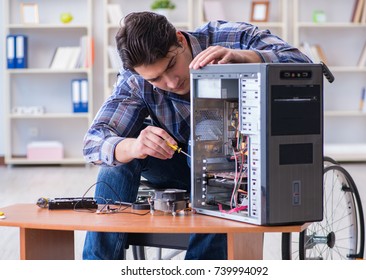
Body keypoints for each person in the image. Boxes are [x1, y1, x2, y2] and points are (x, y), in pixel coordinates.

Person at [82, 11, 311, 260]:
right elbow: (94, 141)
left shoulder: (232, 37)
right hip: (180, 166)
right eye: (156, 78)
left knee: (209, 136)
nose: (170, 82)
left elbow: (305, 65)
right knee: (120, 158)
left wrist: (246, 57)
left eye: (171, 65)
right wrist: (133, 146)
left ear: (179, 40)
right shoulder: (135, 81)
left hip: (241, 168)